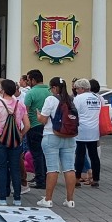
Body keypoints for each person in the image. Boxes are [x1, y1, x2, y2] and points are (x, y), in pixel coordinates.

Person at [0, 78, 30, 206]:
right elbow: (27, 125)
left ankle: (2, 198)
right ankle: (17, 198)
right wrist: (20, 135)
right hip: (16, 140)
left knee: (1, 167)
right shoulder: (20, 104)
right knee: (15, 168)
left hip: (0, 138)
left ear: (3, 90)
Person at [37, 77, 78, 208]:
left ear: (54, 88)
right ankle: (70, 200)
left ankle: (48, 199)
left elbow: (43, 120)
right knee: (69, 168)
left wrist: (37, 114)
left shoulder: (51, 99)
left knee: (52, 169)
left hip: (52, 136)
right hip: (70, 137)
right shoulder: (71, 100)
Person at [72, 78, 101, 188]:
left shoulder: (78, 98)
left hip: (81, 130)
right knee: (94, 156)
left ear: (82, 88)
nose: (76, 90)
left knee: (80, 154)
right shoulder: (96, 97)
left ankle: (77, 179)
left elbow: (75, 113)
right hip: (94, 130)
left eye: (77, 88)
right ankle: (96, 178)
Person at [24, 69, 50, 190]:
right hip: (48, 126)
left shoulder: (31, 93)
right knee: (45, 153)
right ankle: (45, 177)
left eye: (28, 80)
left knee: (36, 154)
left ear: (33, 80)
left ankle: (40, 180)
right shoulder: (50, 91)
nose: (28, 82)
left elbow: (25, 111)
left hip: (34, 126)